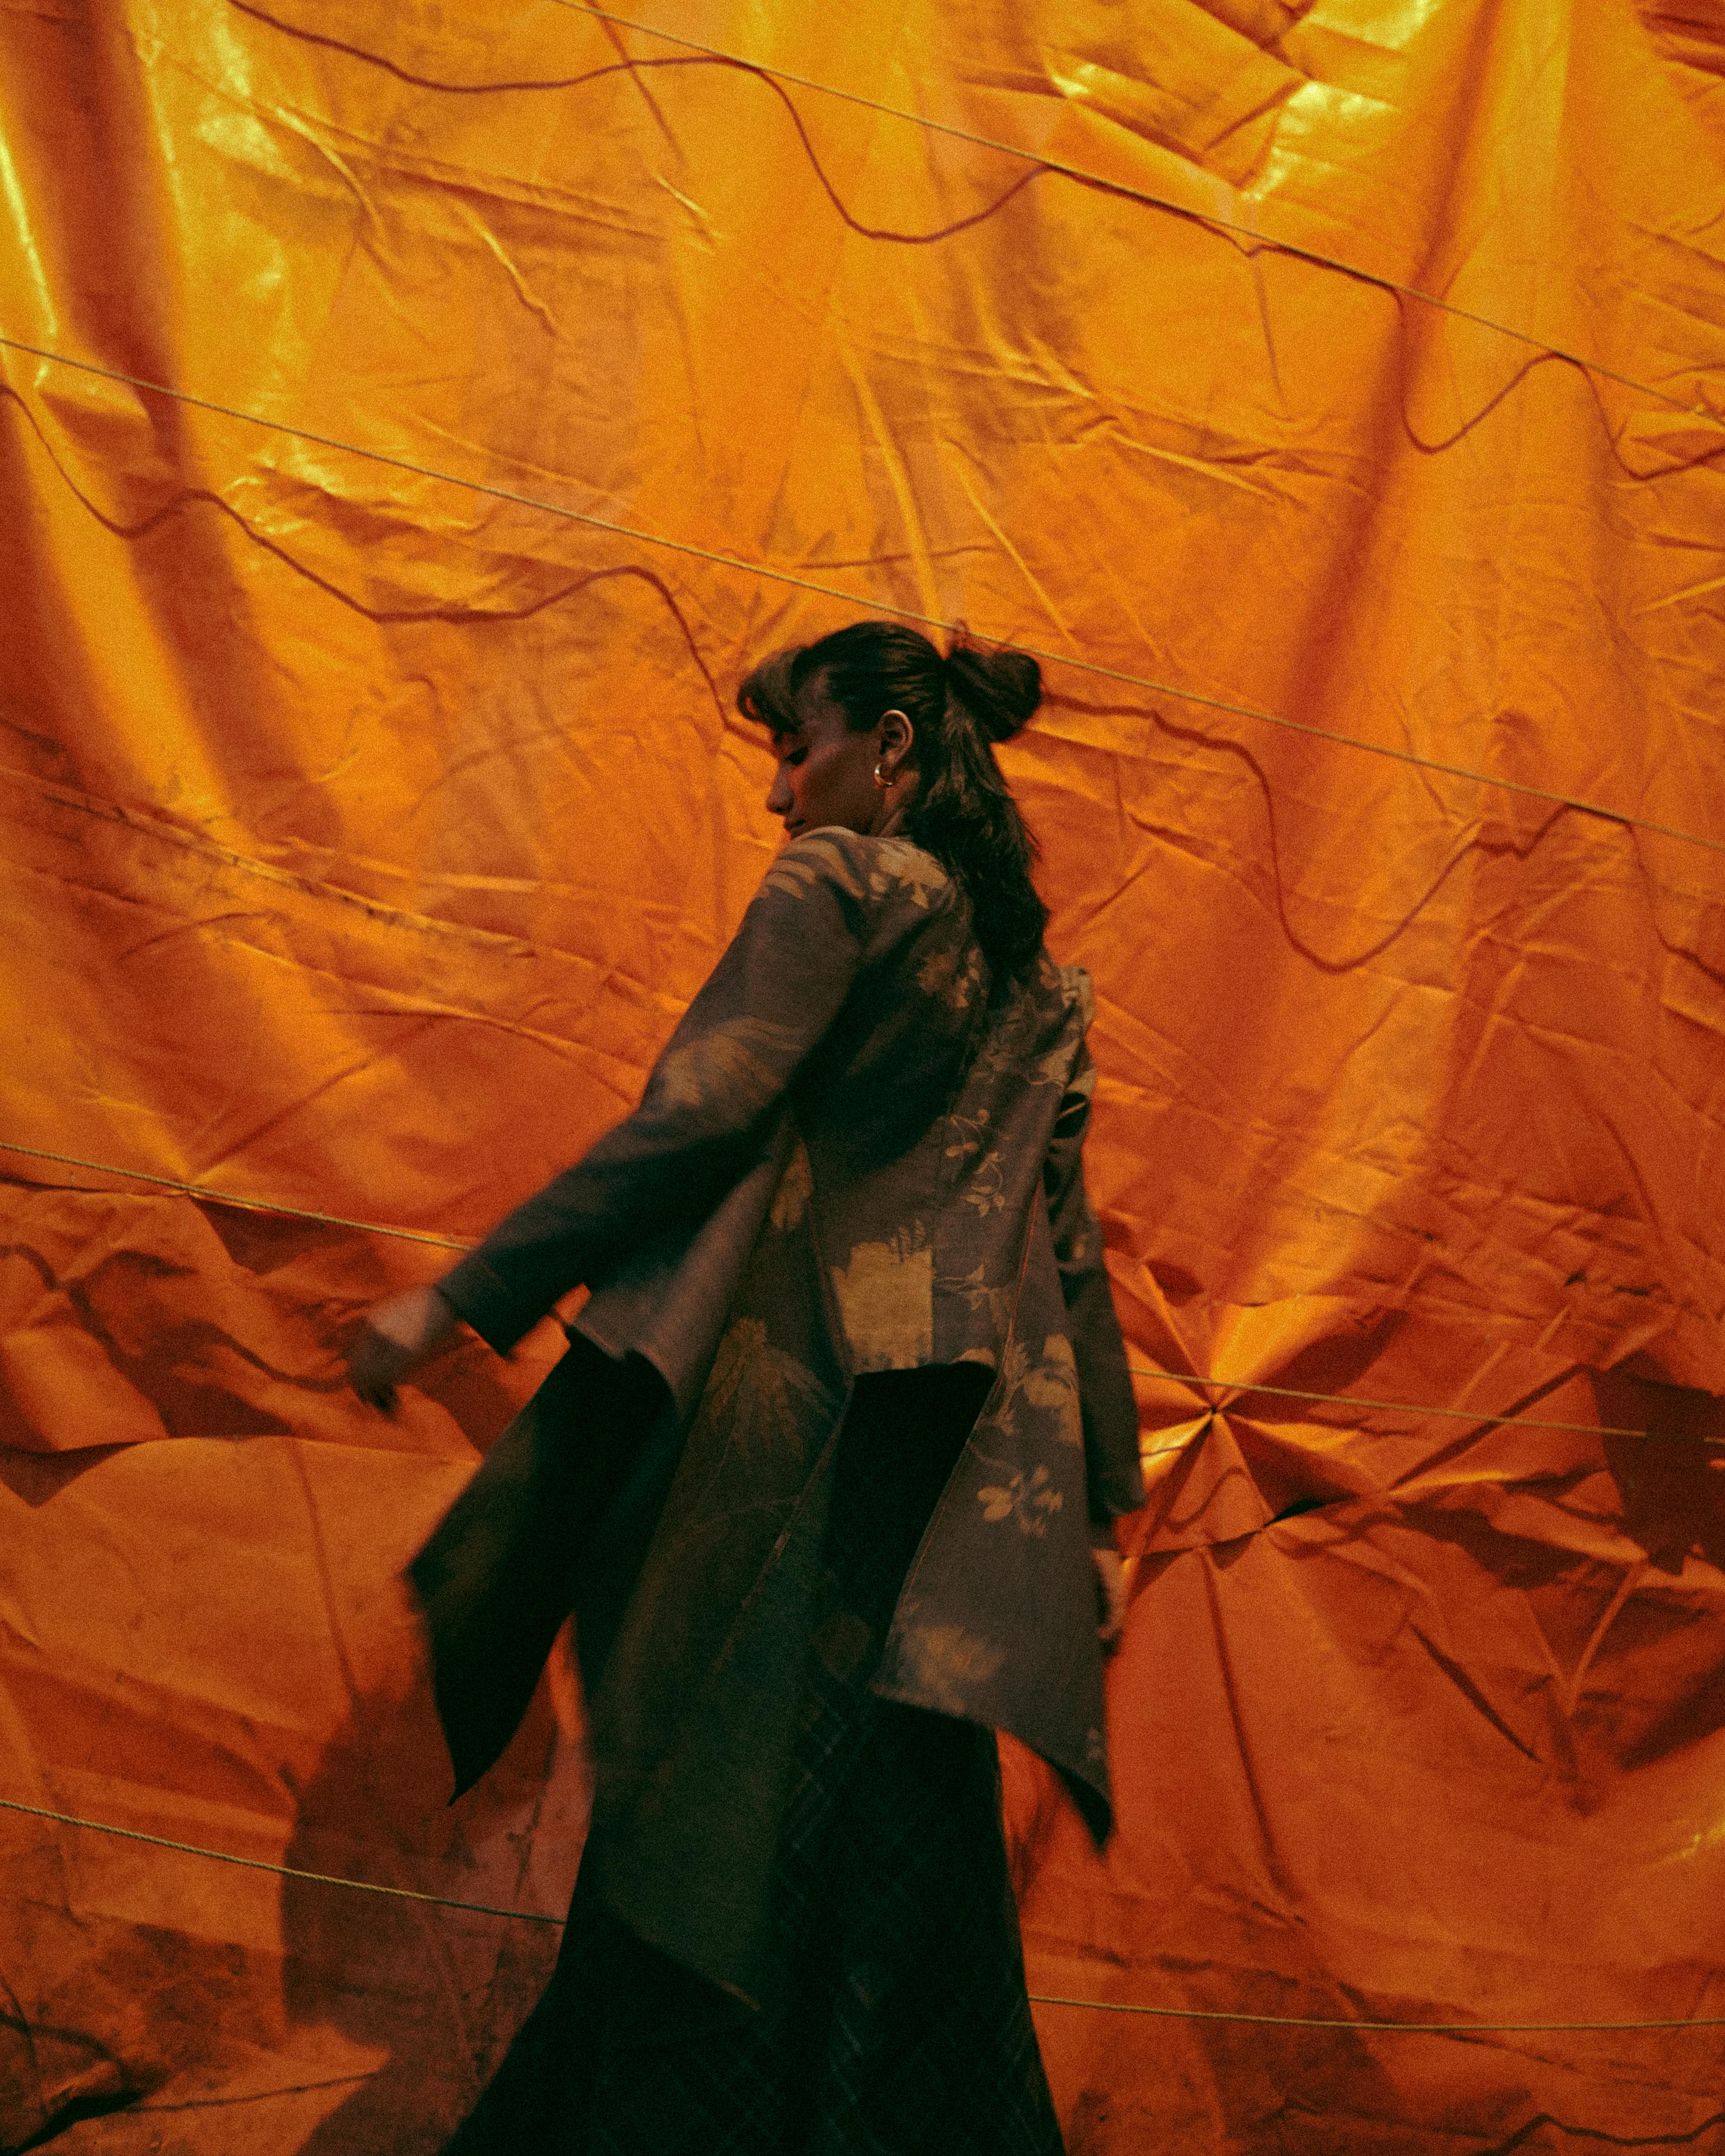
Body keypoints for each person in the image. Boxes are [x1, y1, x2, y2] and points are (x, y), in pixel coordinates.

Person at [346, 620, 1145, 2154]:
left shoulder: (838, 889)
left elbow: (695, 1121)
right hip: (939, 1479)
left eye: (799, 748)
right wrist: (1105, 1511)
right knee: (894, 1838)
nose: (780, 798)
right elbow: (1073, 1262)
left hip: (787, 1444)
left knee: (709, 1804)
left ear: (889, 753)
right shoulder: (1041, 987)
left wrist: (467, 1292)